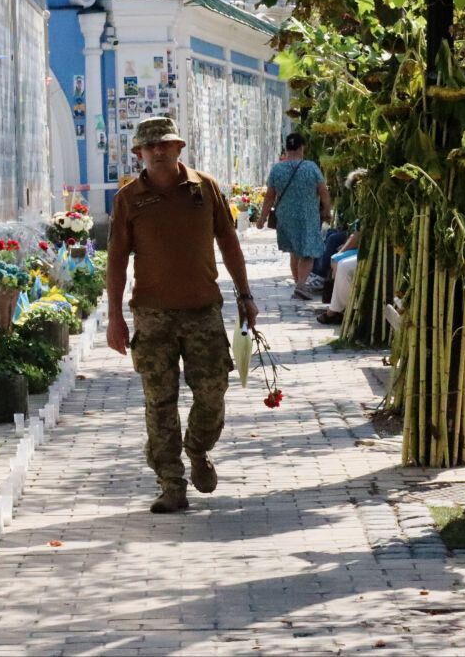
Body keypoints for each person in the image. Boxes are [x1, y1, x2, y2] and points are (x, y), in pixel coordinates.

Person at [106, 117, 258, 514]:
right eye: (150, 146)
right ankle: (171, 482)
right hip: (152, 315)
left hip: (203, 310)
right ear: (139, 152)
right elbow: (117, 260)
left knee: (213, 392)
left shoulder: (204, 188)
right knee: (159, 402)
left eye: (165, 144)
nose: (159, 151)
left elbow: (228, 241)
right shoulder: (129, 199)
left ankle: (197, 447)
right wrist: (114, 317)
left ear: (179, 147)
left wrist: (245, 296)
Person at [256, 132, 331, 299]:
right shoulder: (311, 167)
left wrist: (262, 218)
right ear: (302, 147)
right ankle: (301, 285)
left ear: (287, 148)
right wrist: (327, 210)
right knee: (307, 251)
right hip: (308, 216)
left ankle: (300, 285)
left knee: (294, 252)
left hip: (285, 217)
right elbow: (323, 191)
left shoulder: (277, 169)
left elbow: (270, 197)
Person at [317, 229, 361, 326]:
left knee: (343, 265)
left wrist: (340, 252)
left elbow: (357, 234)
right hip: (361, 248)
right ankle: (340, 308)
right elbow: (355, 234)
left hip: (366, 249)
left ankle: (337, 310)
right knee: (335, 259)